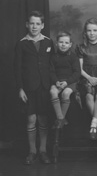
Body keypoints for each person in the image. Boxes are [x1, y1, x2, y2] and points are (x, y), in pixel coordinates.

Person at [15, 10, 54, 165]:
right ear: (27, 24)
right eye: (32, 23)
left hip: (45, 86)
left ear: (42, 25)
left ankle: (43, 151)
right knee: (31, 119)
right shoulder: (21, 43)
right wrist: (20, 88)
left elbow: (52, 66)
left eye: (38, 24)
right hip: (29, 87)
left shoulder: (48, 42)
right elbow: (17, 68)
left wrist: (53, 85)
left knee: (43, 119)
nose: (34, 26)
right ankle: (32, 151)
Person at [76, 18, 97, 140]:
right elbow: (79, 69)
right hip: (86, 76)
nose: (92, 33)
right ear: (85, 32)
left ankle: (93, 124)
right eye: (89, 30)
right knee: (89, 96)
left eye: (95, 30)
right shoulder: (81, 47)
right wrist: (89, 78)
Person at [50, 31, 81, 129]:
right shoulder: (53, 57)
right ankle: (61, 118)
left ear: (70, 44)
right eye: (61, 42)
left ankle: (59, 121)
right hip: (57, 81)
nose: (63, 45)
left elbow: (77, 73)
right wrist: (56, 82)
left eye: (66, 43)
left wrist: (67, 82)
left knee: (66, 93)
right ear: (56, 43)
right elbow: (51, 72)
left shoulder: (73, 57)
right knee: (53, 92)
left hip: (70, 81)